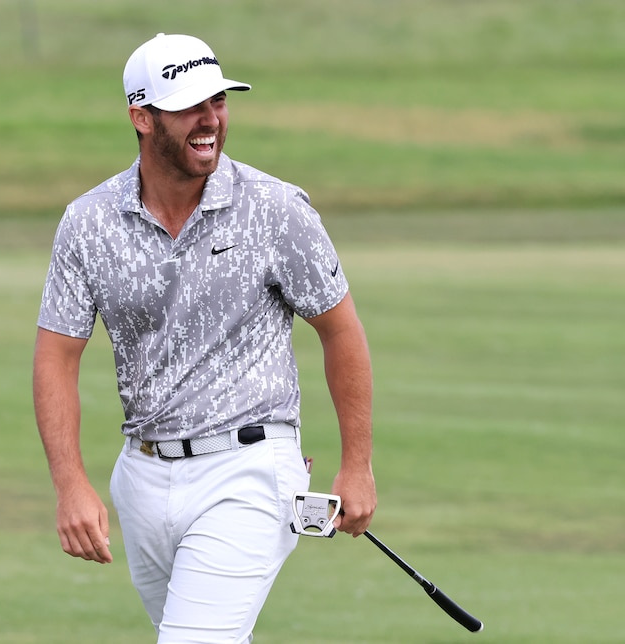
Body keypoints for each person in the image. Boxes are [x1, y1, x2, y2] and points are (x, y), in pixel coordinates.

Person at [33, 32, 376, 643]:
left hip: (250, 470)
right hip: (141, 476)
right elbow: (57, 356)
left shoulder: (276, 210)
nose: (210, 119)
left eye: (218, 101)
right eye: (189, 105)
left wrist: (358, 464)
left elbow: (340, 329)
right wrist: (70, 484)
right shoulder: (88, 222)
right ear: (142, 117)